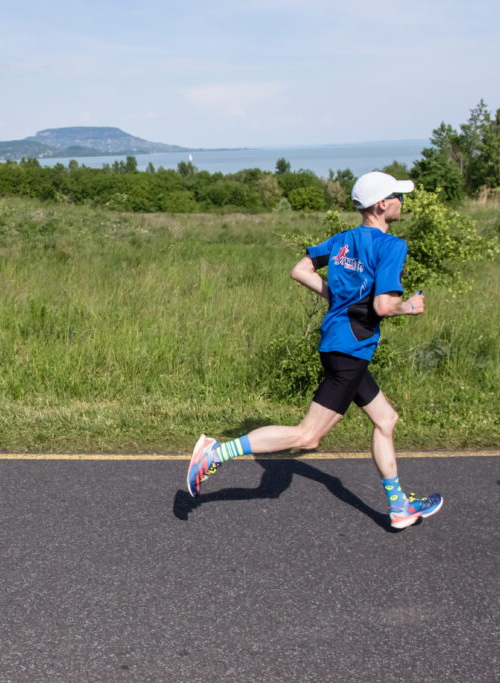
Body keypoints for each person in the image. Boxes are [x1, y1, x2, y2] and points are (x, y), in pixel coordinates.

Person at [186, 171, 443, 530]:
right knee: (308, 436)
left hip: (341, 345)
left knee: (386, 420)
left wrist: (336, 296)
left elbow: (300, 269)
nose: (404, 201)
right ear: (383, 204)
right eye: (400, 196)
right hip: (351, 350)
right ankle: (216, 452)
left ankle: (398, 505)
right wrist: (410, 306)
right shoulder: (391, 246)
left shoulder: (343, 240)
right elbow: (384, 306)